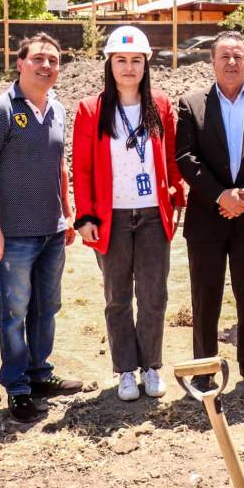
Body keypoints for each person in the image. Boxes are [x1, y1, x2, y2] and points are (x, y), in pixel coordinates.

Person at [0, 33, 81, 423]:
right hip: (13, 234)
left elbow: (60, 166)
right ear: (20, 63)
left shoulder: (58, 109)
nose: (46, 65)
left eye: (53, 59)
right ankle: (16, 387)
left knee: (46, 307)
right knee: (14, 311)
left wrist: (67, 214)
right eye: (38, 58)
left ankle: (39, 374)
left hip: (52, 231)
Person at [73, 27, 186, 403]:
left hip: (153, 214)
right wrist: (85, 215)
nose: (128, 67)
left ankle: (151, 366)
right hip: (111, 217)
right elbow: (83, 168)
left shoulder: (161, 105)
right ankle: (125, 370)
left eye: (136, 60)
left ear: (146, 64)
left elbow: (170, 159)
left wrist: (175, 194)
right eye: (121, 60)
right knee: (117, 297)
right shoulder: (91, 109)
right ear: (110, 63)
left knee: (154, 294)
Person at [176, 30, 244, 397]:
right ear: (212, 61)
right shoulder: (191, 105)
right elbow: (185, 158)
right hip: (207, 218)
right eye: (224, 56)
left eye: (238, 56)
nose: (231, 62)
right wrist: (220, 195)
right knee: (205, 297)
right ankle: (203, 370)